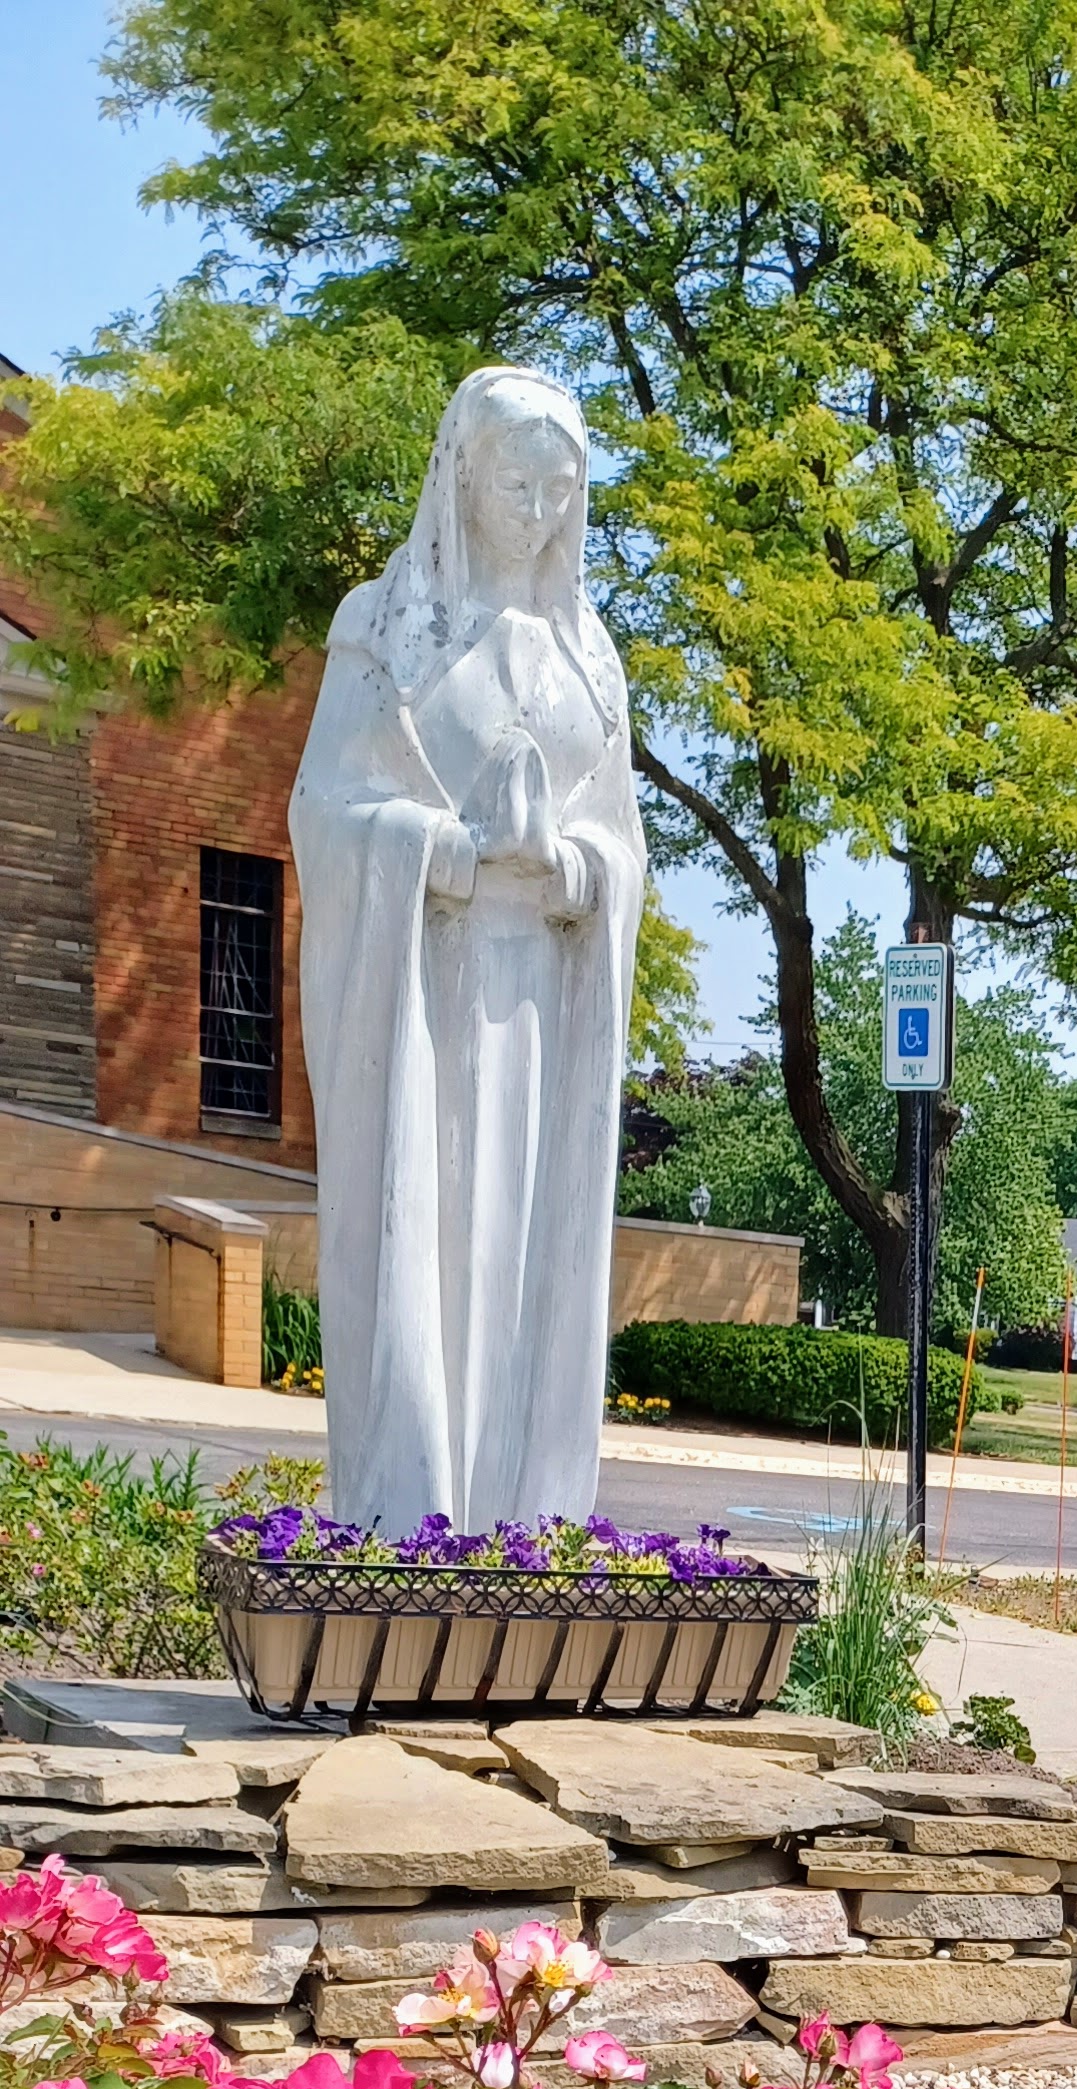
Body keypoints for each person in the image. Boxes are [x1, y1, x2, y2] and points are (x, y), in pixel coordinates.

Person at [292, 366, 646, 1534]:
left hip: (544, 1004)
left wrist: (577, 872)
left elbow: (621, 843)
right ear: (461, 477)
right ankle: (414, 1515)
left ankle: (523, 1522)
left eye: (559, 488)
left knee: (528, 1264)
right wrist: (438, 850)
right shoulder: (385, 630)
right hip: (420, 1002)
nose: (537, 511)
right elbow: (324, 809)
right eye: (514, 484)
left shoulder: (591, 660)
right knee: (427, 1252)